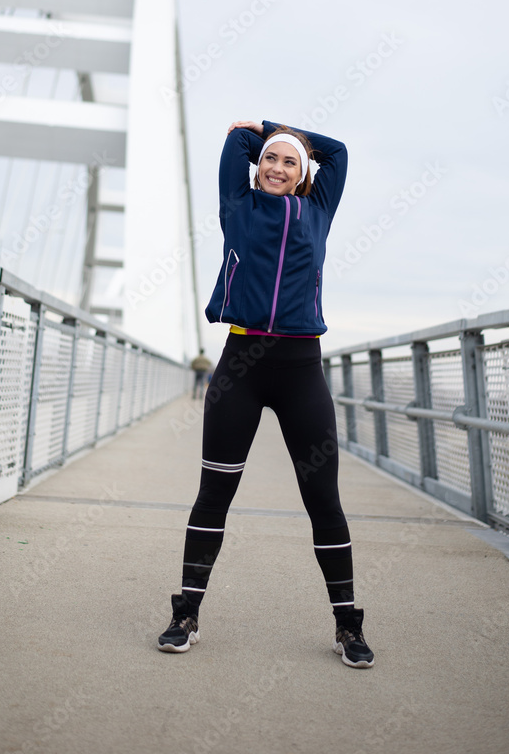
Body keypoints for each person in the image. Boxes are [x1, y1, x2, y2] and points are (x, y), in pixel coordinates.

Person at [157, 119, 374, 668]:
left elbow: (338, 151)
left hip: (301, 369)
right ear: (257, 169)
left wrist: (274, 128)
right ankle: (186, 615)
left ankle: (347, 625)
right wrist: (258, 137)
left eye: (289, 162)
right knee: (214, 493)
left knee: (323, 500)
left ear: (304, 175)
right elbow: (234, 141)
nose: (277, 167)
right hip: (240, 367)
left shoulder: (319, 209)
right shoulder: (238, 204)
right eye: (270, 158)